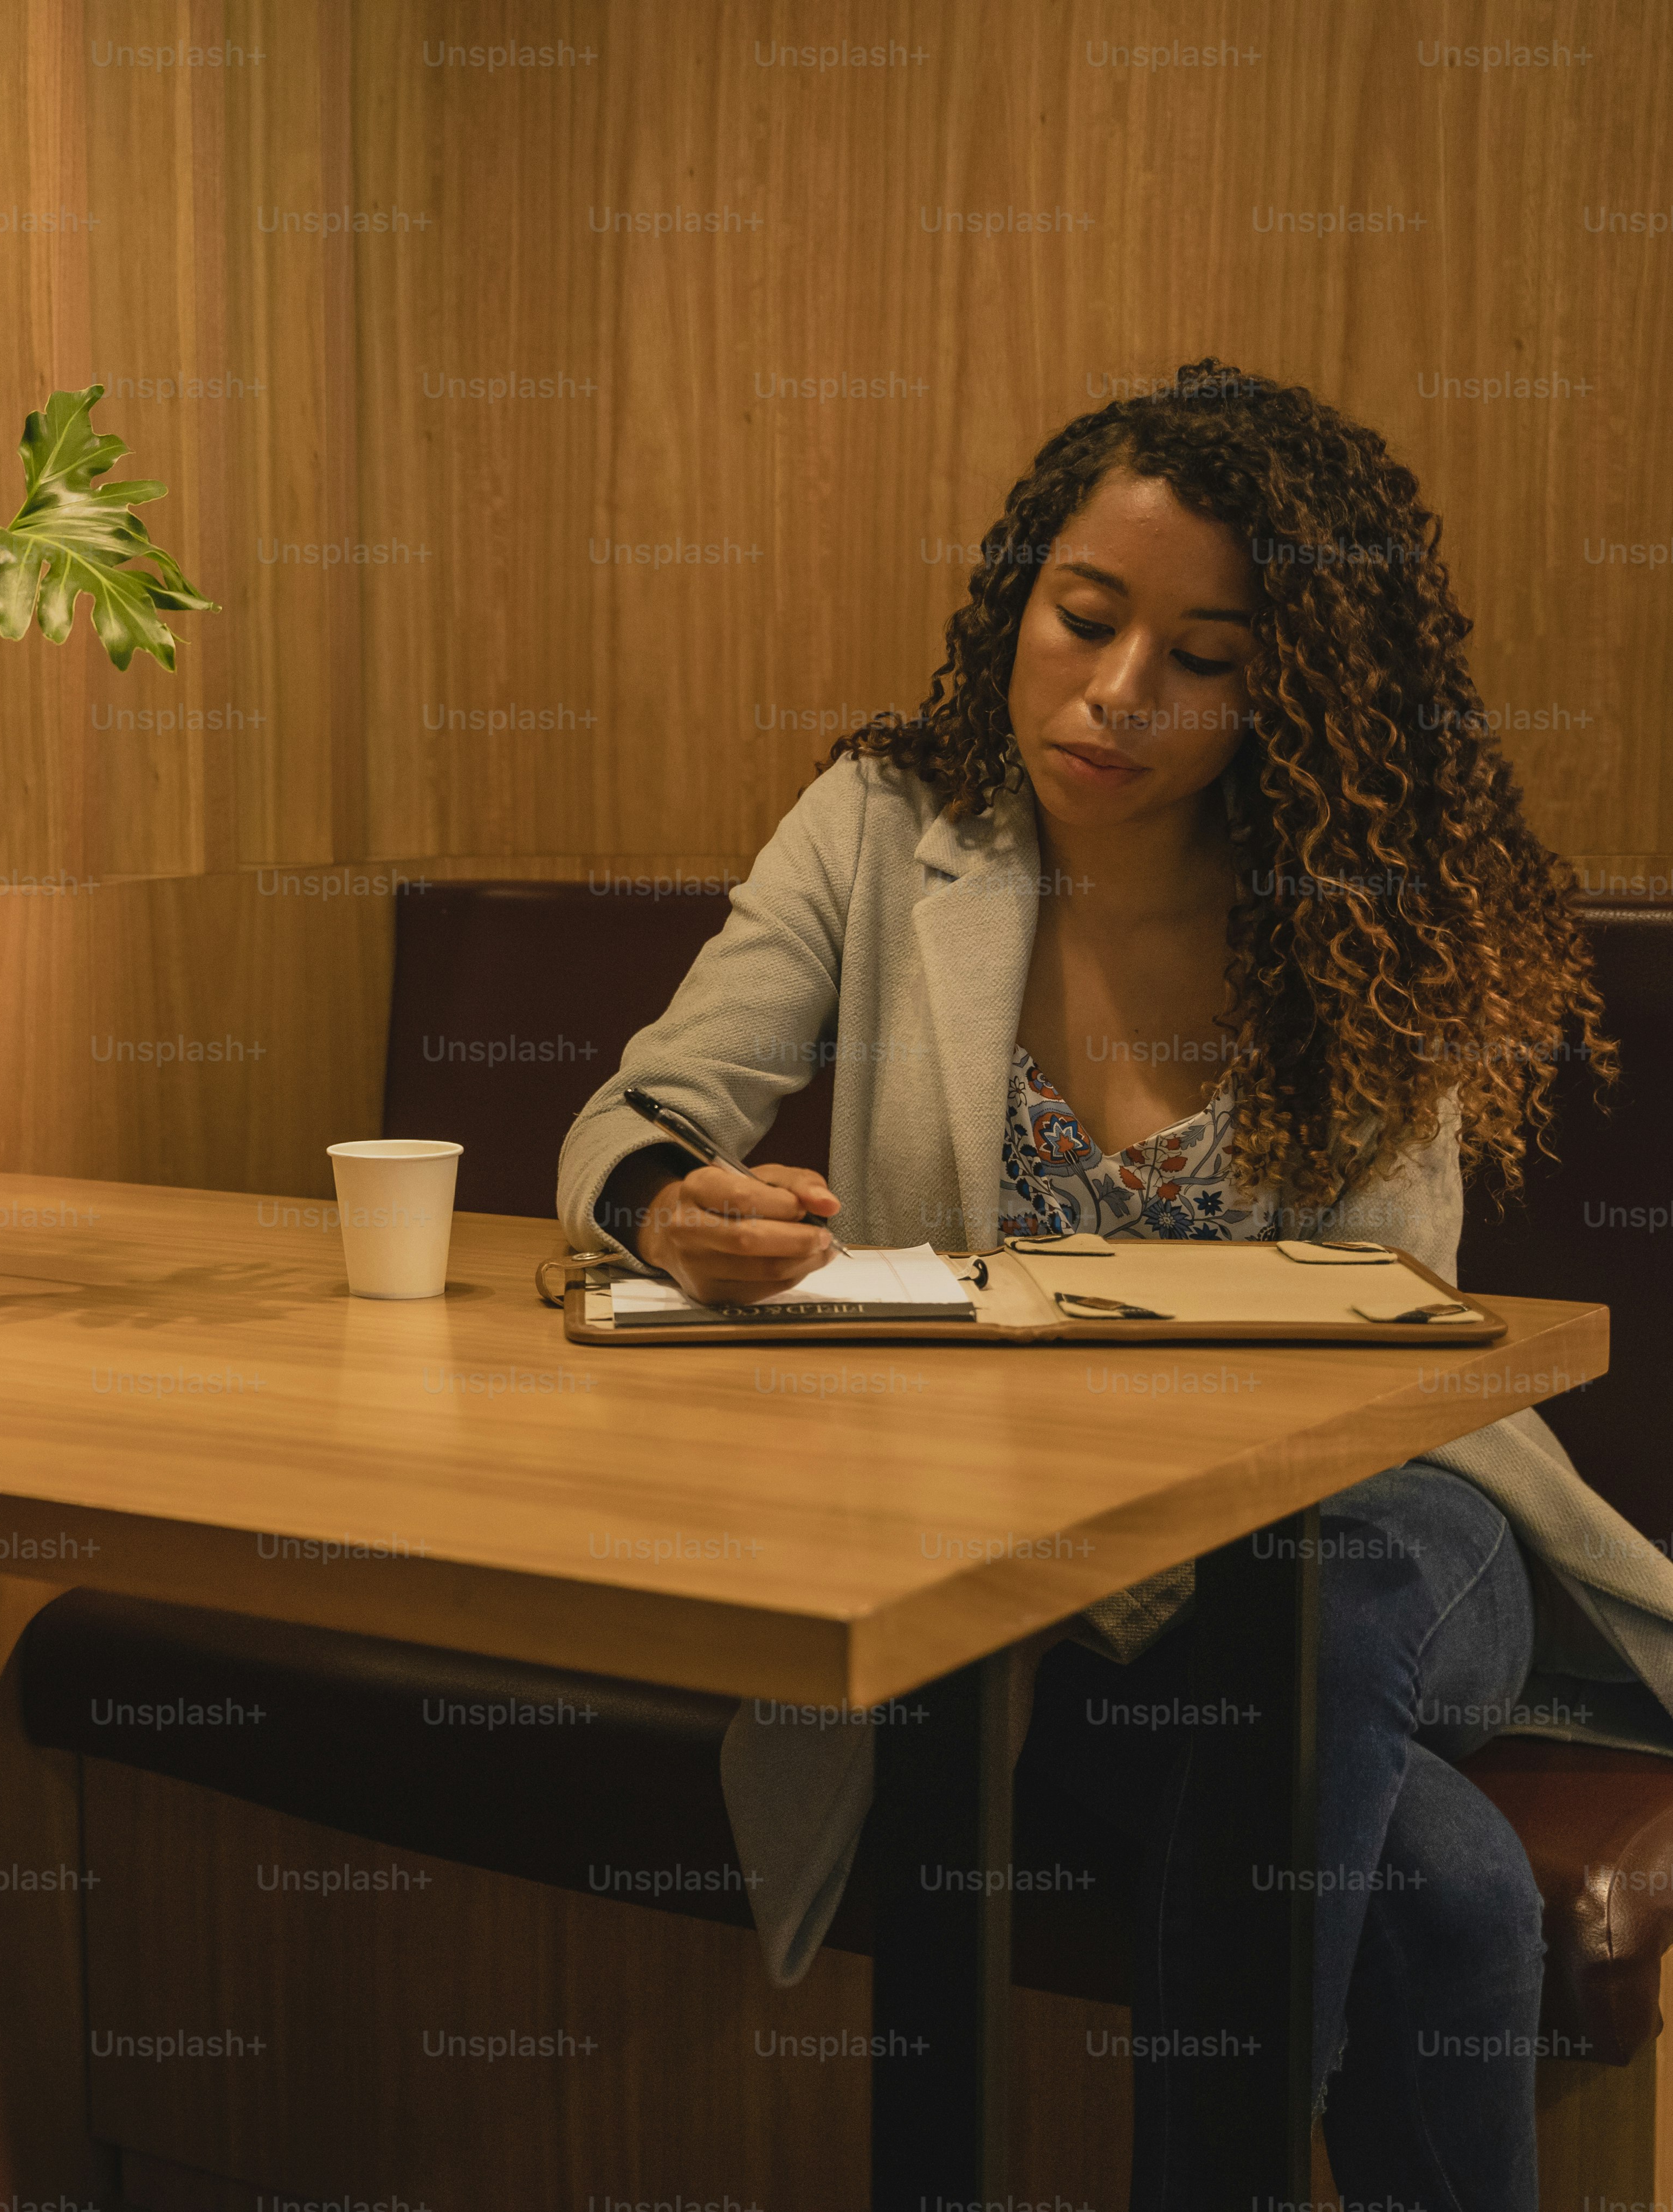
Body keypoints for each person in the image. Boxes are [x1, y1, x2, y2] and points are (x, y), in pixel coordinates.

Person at [553, 358, 1669, 2207]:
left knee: (1316, 1579)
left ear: (1288, 695)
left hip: (1377, 1522)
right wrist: (675, 1203)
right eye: (1084, 617)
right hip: (1021, 1572)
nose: (1116, 692)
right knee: (1443, 1886)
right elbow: (634, 1109)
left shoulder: (1358, 902)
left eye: (1204, 658)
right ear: (1022, 594)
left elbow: (1381, 1343)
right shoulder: (880, 826)